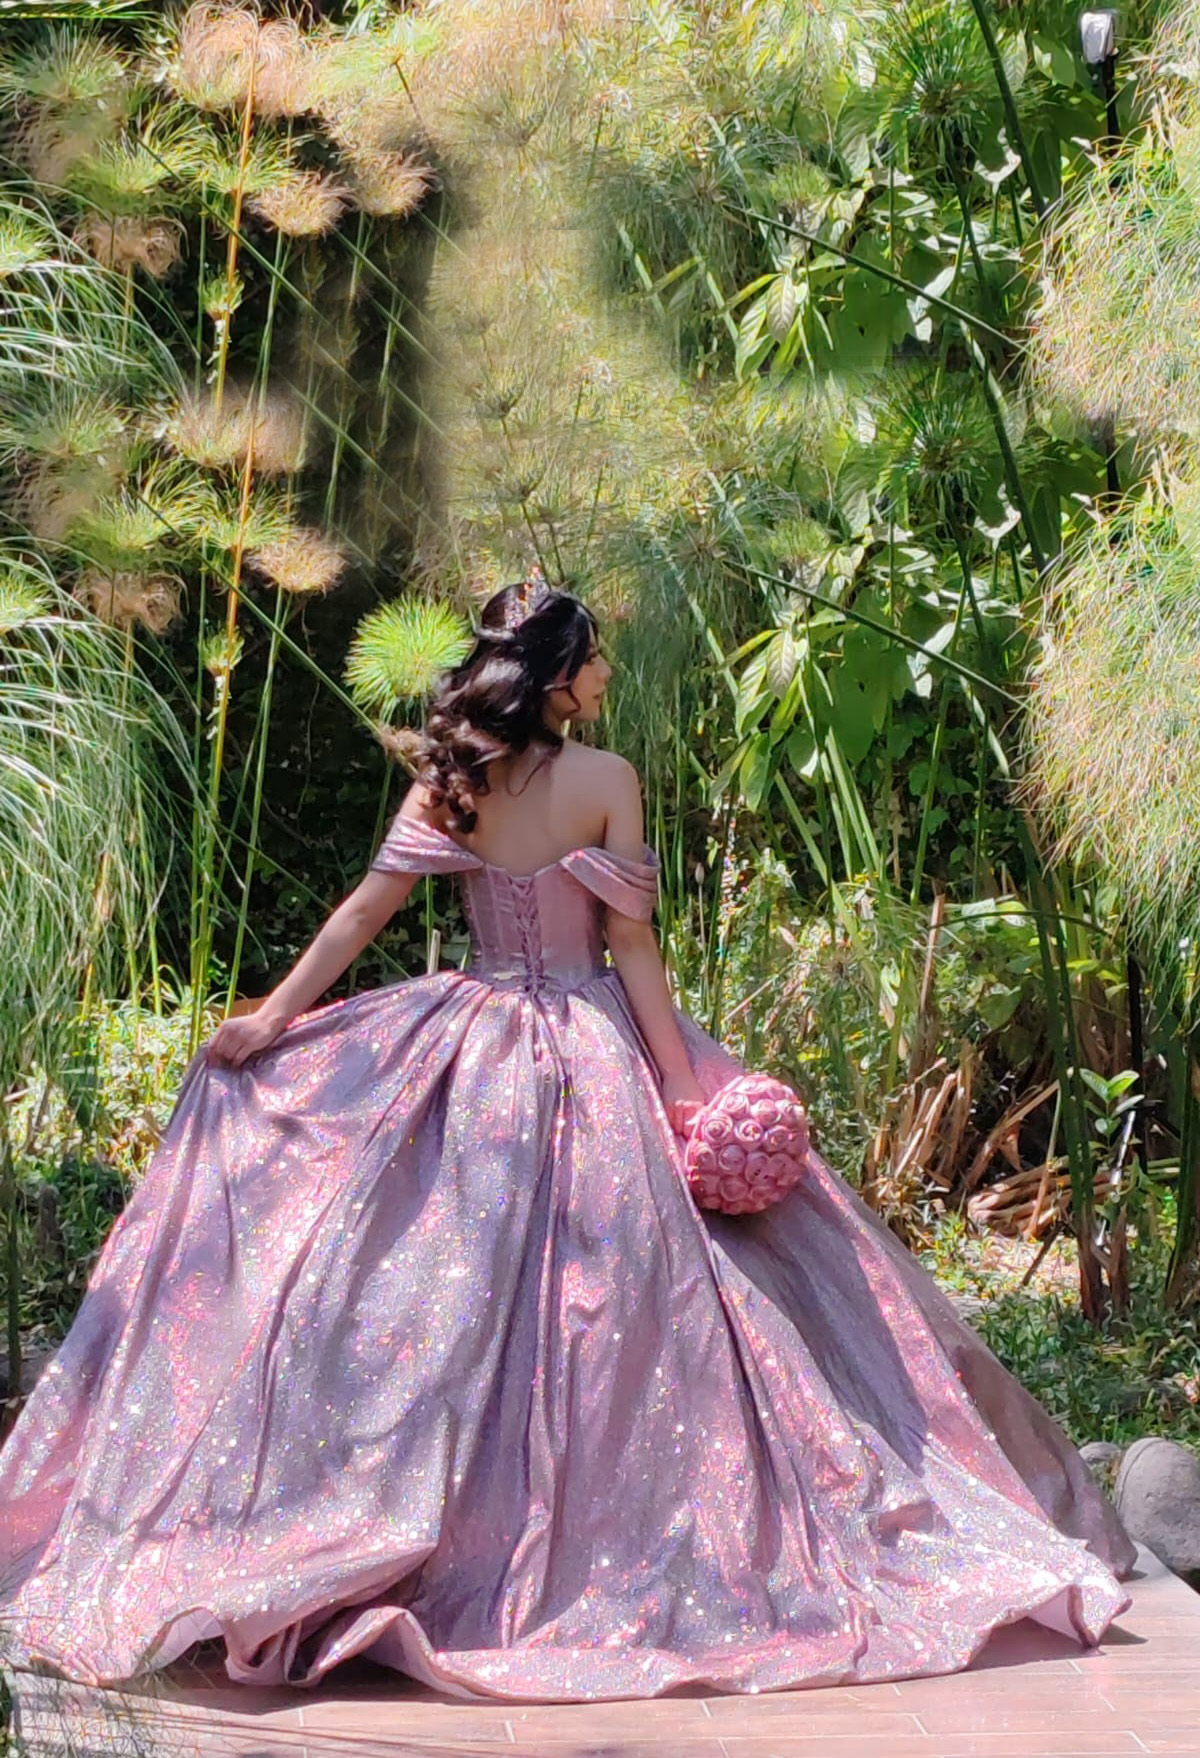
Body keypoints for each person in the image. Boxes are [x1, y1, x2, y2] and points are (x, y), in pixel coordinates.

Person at [0, 579, 1135, 1702]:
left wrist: (274, 1019)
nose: (603, 674)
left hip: (477, 1038)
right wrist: (682, 1090)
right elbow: (630, 948)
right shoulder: (607, 780)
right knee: (644, 1300)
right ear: (551, 677)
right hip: (594, 1043)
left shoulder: (454, 779)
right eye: (591, 658)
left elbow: (362, 913)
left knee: (435, 1291)